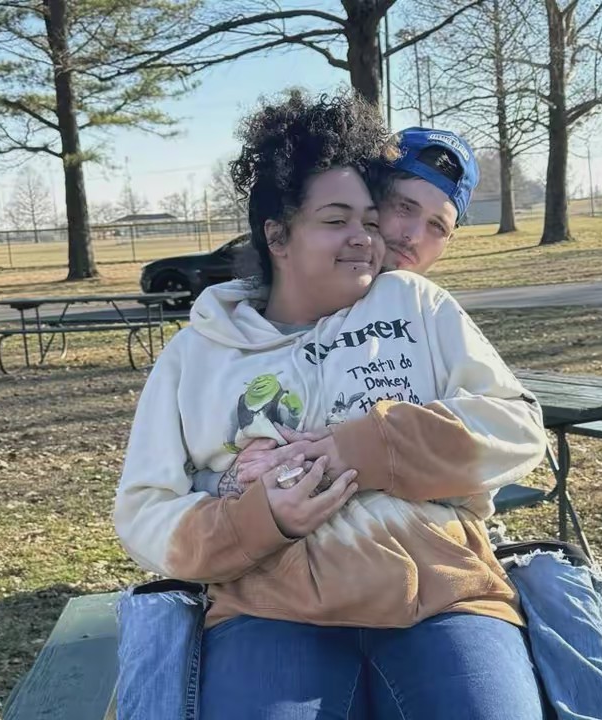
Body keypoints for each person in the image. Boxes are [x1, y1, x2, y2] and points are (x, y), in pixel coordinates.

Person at [114, 89, 549, 720]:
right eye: (336, 220)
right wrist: (259, 518)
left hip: (445, 593)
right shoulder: (197, 353)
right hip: (270, 606)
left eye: (370, 221)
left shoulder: (416, 306)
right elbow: (143, 509)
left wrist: (365, 447)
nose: (366, 239)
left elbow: (517, 427)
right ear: (277, 234)